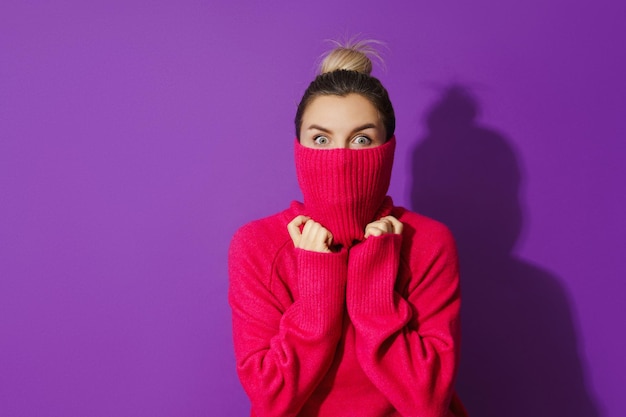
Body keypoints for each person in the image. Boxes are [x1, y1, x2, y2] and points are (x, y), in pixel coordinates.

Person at [228, 39, 468, 417]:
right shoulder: (258, 245)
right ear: (299, 146)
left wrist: (373, 285)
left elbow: (428, 402)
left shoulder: (427, 242)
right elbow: (270, 399)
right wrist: (317, 288)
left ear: (386, 148)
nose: (340, 158)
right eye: (321, 139)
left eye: (361, 139)